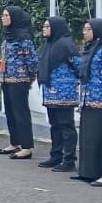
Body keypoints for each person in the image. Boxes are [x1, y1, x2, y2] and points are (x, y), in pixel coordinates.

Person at [39, 16, 79, 173]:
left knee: (66, 126)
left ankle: (69, 159)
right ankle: (56, 155)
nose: (44, 29)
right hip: (50, 92)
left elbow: (79, 65)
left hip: (64, 93)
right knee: (55, 125)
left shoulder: (66, 45)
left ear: (55, 28)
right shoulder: (48, 45)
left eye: (47, 26)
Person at [0, 6, 38, 160]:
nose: (3, 18)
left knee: (21, 113)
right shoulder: (7, 36)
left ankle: (26, 147)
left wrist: (30, 76)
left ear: (14, 17)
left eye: (6, 15)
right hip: (6, 78)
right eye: (3, 15)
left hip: (19, 79)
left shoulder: (23, 37)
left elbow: (31, 59)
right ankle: (14, 143)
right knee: (10, 112)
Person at [75, 19, 102, 186]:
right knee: (88, 137)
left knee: (98, 137)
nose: (84, 32)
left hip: (99, 100)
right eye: (84, 29)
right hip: (87, 99)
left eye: (88, 29)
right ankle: (87, 172)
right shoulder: (89, 48)